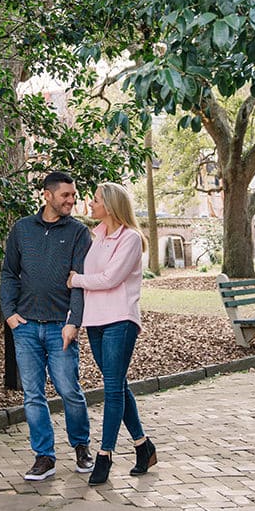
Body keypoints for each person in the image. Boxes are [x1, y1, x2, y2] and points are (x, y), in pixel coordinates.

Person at [0, 170, 93, 481]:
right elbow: (9, 273)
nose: (71, 200)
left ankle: (81, 447)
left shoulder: (78, 232)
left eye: (73, 195)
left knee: (69, 390)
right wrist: (9, 313)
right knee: (33, 394)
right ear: (47, 195)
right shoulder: (22, 229)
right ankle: (44, 457)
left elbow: (79, 281)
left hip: (60, 327)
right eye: (66, 195)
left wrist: (74, 322)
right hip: (25, 326)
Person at [68, 181, 157, 486]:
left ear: (110, 205)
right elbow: (94, 277)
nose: (90, 204)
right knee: (116, 384)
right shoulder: (98, 237)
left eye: (95, 199)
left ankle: (105, 454)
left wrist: (77, 280)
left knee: (112, 388)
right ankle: (143, 446)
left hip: (120, 319)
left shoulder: (130, 238)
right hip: (95, 321)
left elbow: (110, 278)